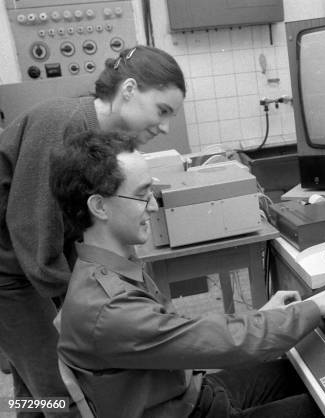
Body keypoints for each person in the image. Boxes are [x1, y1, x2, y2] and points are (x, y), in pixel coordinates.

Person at [49, 130, 325, 418]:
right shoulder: (107, 308)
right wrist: (314, 308)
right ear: (99, 207)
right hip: (189, 409)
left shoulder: (105, 269)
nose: (155, 208)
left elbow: (182, 335)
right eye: (143, 194)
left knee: (309, 370)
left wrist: (263, 316)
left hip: (190, 392)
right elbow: (211, 341)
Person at [0, 44, 186, 415]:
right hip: (11, 274)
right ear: (129, 90)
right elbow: (31, 231)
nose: (165, 127)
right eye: (162, 111)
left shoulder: (105, 138)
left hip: (34, 267)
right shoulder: (63, 123)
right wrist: (86, 306)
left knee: (34, 386)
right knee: (66, 393)